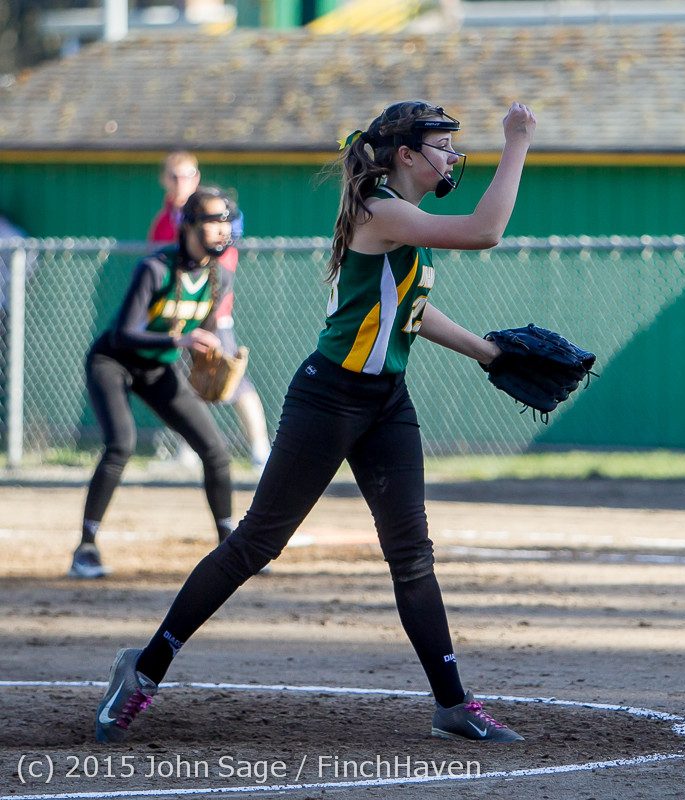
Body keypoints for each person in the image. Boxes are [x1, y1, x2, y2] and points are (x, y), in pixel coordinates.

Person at [94, 100, 536, 742]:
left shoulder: (401, 218)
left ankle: (452, 703)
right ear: (406, 156)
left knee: (411, 552)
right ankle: (143, 669)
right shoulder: (380, 209)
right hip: (328, 398)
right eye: (441, 146)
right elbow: (485, 231)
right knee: (255, 543)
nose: (451, 157)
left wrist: (489, 353)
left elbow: (407, 309)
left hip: (386, 401)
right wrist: (517, 143)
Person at [69, 188, 240, 579]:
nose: (222, 229)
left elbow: (203, 335)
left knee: (215, 450)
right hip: (112, 361)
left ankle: (231, 546)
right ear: (189, 226)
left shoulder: (221, 277)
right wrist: (180, 341)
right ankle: (86, 547)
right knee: (121, 444)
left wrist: (208, 359)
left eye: (226, 221)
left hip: (157, 369)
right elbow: (124, 333)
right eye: (214, 221)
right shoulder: (155, 268)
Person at [149, 151, 271, 473]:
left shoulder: (220, 212)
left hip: (211, 313)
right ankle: (187, 451)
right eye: (175, 176)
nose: (182, 182)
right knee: (186, 385)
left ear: (198, 177)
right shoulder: (164, 221)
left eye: (188, 175)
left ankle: (261, 452)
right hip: (176, 318)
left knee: (232, 378)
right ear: (165, 180)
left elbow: (223, 257)